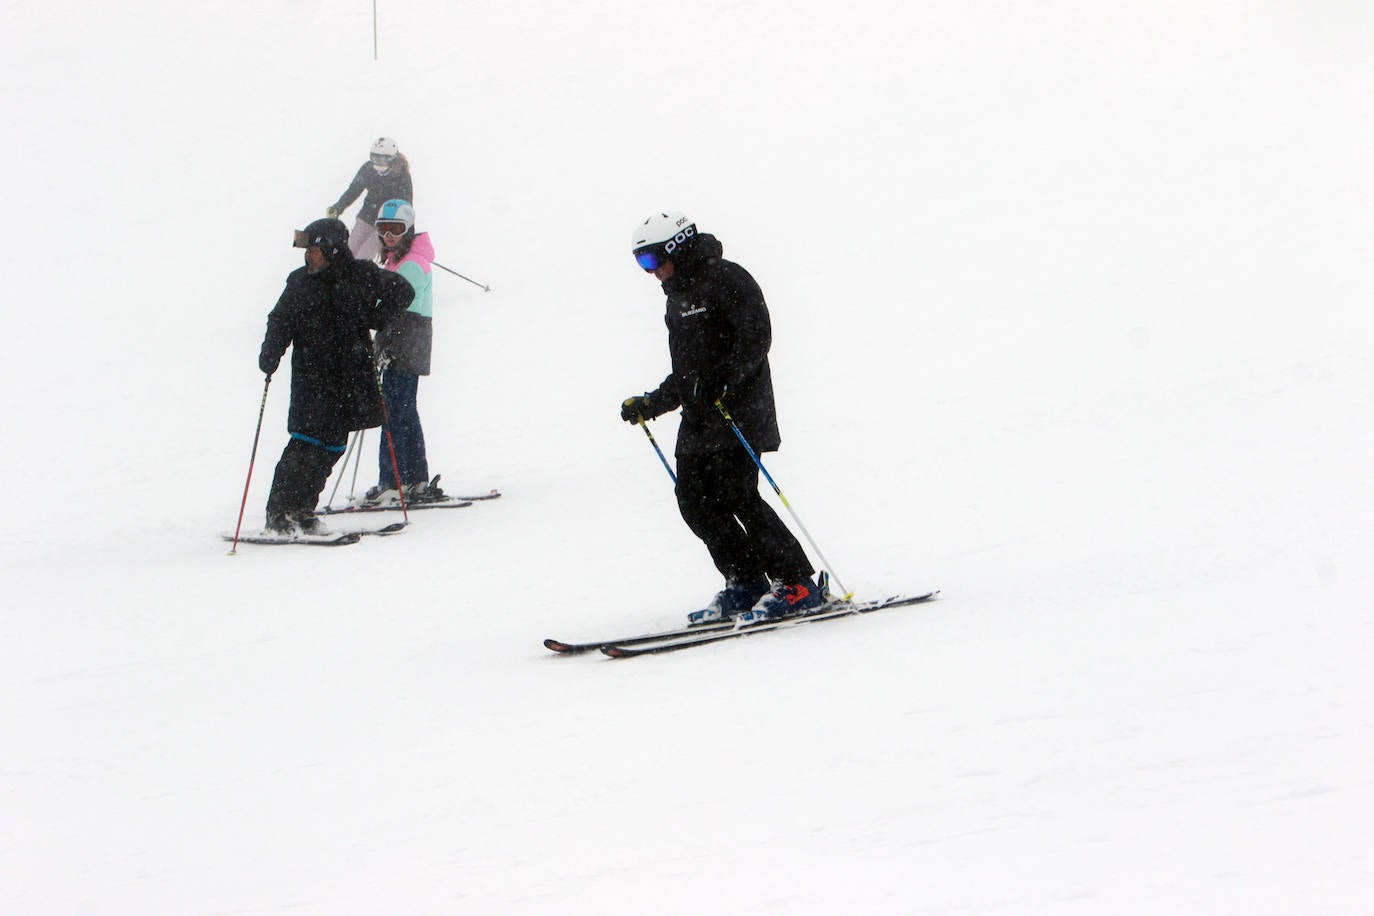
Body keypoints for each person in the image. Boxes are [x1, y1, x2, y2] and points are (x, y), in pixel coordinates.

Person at [620, 211, 824, 624]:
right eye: (642, 262)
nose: (651, 271)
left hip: (740, 411)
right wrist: (653, 402)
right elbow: (686, 370)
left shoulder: (728, 279)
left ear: (677, 246)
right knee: (694, 502)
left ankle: (797, 581)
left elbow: (756, 338)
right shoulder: (677, 297)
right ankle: (746, 580)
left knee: (738, 497)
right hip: (699, 418)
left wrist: (724, 382)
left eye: (652, 259)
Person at [258, 217, 414, 535]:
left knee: (332, 445)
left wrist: (377, 317)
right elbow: (280, 319)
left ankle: (302, 511)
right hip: (311, 378)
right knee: (305, 444)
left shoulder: (361, 275)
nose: (307, 255)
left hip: (351, 377)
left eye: (313, 248)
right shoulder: (300, 282)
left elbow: (404, 292)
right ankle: (279, 512)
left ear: (330, 247)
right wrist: (271, 354)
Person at [364, 199, 444, 506]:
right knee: (404, 411)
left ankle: (393, 482)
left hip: (406, 343)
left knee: (393, 413)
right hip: (409, 343)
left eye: (396, 229)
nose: (388, 236)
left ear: (408, 230)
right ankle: (413, 479)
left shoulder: (409, 263)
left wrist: (386, 347)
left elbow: (400, 310)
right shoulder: (399, 259)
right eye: (383, 229)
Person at [326, 137, 413, 262]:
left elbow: (407, 208)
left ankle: (357, 279)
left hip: (387, 224)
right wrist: (338, 207)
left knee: (364, 256)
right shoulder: (368, 169)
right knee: (349, 251)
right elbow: (353, 190)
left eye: (381, 159)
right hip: (367, 215)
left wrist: (407, 236)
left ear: (392, 158)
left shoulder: (402, 176)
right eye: (374, 158)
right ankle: (341, 277)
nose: (377, 163)